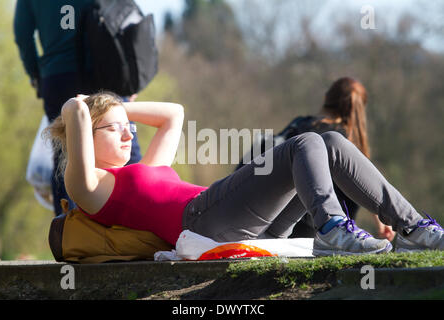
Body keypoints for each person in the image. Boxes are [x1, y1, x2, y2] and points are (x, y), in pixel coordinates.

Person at [45, 92, 444, 256]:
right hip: (206, 221)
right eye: (112, 128)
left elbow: (174, 115)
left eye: (127, 126)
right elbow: (75, 113)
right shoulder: (92, 187)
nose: (127, 132)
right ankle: (331, 226)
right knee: (304, 144)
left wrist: (116, 109)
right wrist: (86, 104)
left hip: (243, 223)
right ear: (86, 137)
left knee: (332, 144)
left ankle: (414, 227)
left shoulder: (147, 167)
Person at [13, 0, 143, 215]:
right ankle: (139, 227)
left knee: (65, 155)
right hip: (107, 72)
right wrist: (131, 77)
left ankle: (69, 236)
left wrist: (37, 75)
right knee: (126, 148)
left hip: (58, 77)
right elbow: (128, 17)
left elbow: (22, 35)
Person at [236, 77, 395, 241]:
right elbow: (362, 183)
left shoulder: (297, 125)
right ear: (360, 108)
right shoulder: (343, 143)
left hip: (276, 222)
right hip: (323, 230)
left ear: (326, 98)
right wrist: (381, 218)